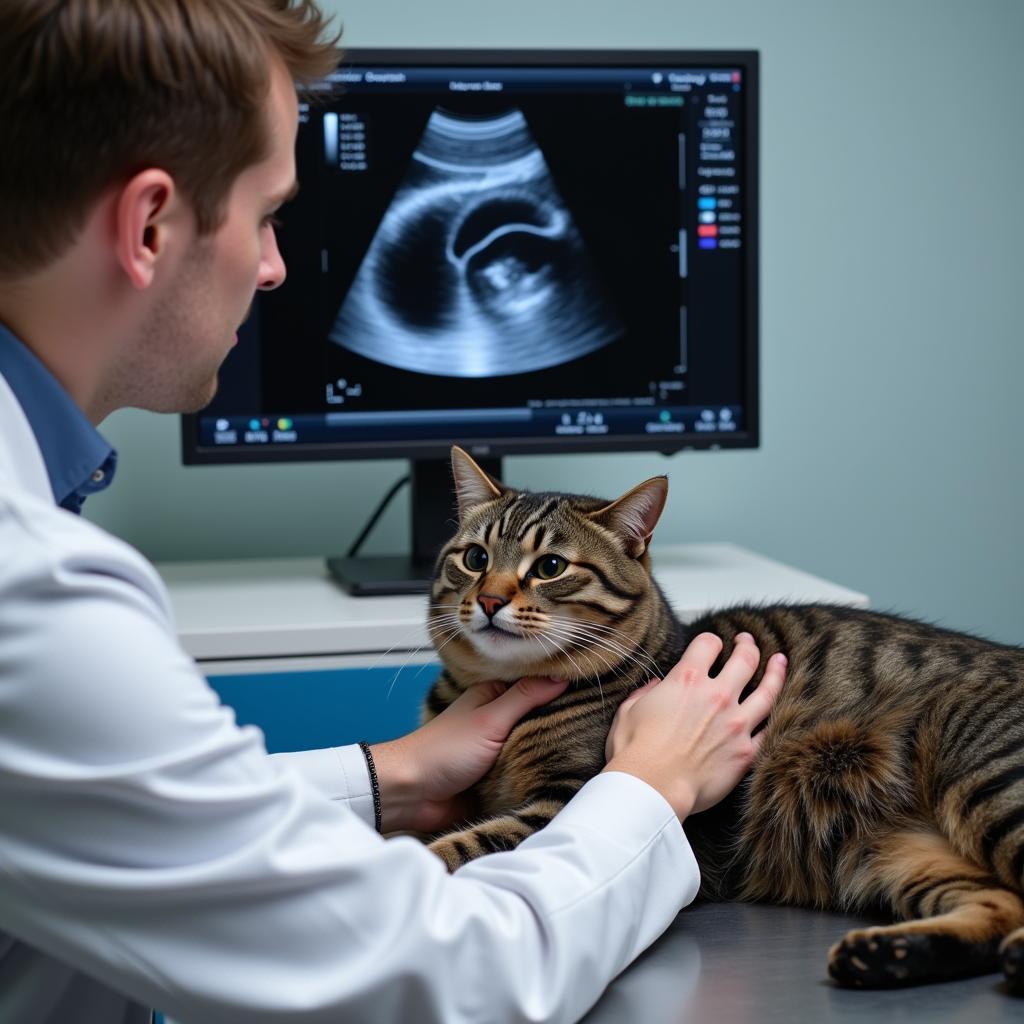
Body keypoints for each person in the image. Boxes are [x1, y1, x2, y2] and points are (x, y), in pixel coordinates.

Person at [0, 2, 788, 1022]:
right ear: (149, 225)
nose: (277, 267)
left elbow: (88, 813)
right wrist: (647, 786)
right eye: (268, 212)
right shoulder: (33, 595)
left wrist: (386, 776)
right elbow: (451, 977)